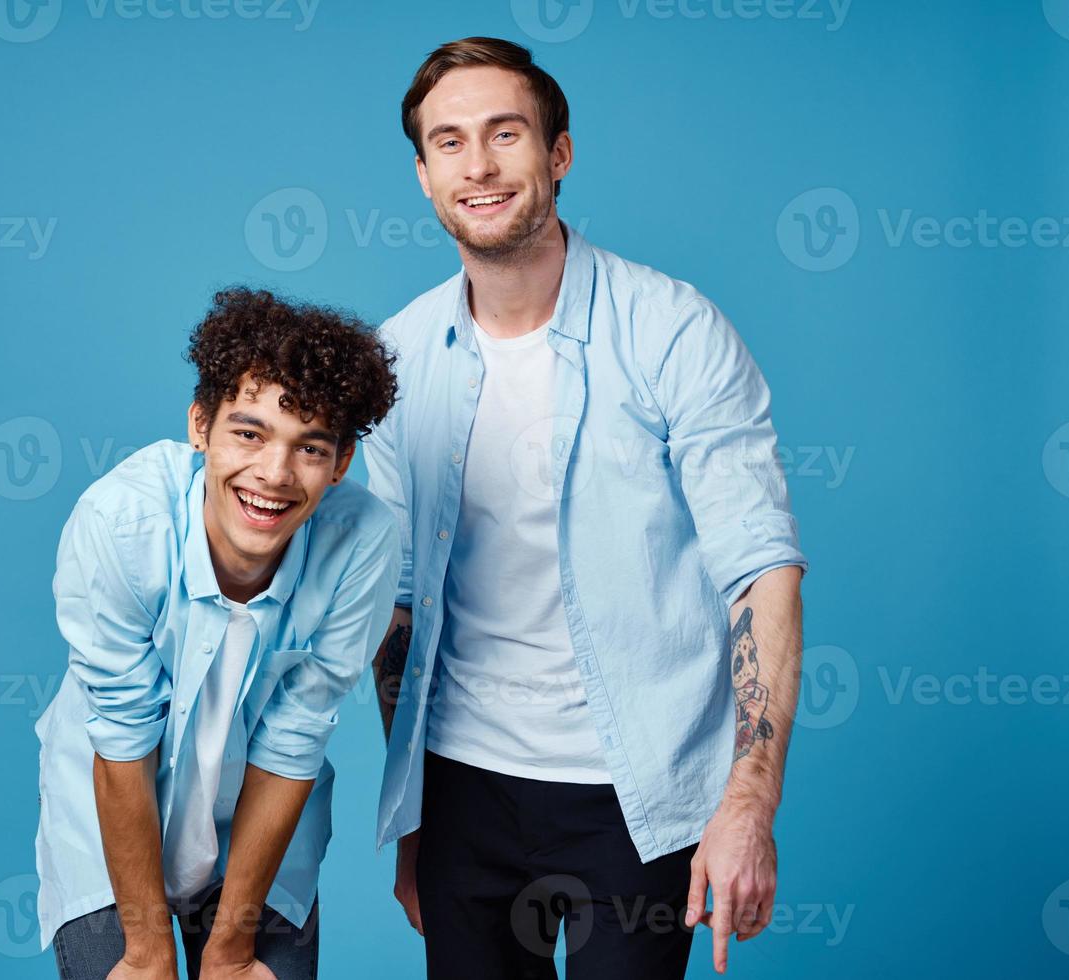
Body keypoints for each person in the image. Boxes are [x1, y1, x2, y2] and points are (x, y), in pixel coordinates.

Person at [365, 37, 809, 979]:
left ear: (558, 153)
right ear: (422, 173)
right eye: (449, 142)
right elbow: (396, 609)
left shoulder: (673, 331)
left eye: (505, 133)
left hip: (636, 795)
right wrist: (411, 817)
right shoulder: (398, 360)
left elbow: (758, 569)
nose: (478, 166)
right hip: (461, 796)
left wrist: (748, 803)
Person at [36, 287, 400, 980]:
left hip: (258, 823)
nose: (274, 474)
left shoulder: (364, 544)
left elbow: (295, 737)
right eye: (249, 432)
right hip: (114, 808)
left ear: (341, 463)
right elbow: (121, 738)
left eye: (310, 448)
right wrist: (147, 954)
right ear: (200, 425)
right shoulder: (120, 525)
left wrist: (231, 950)